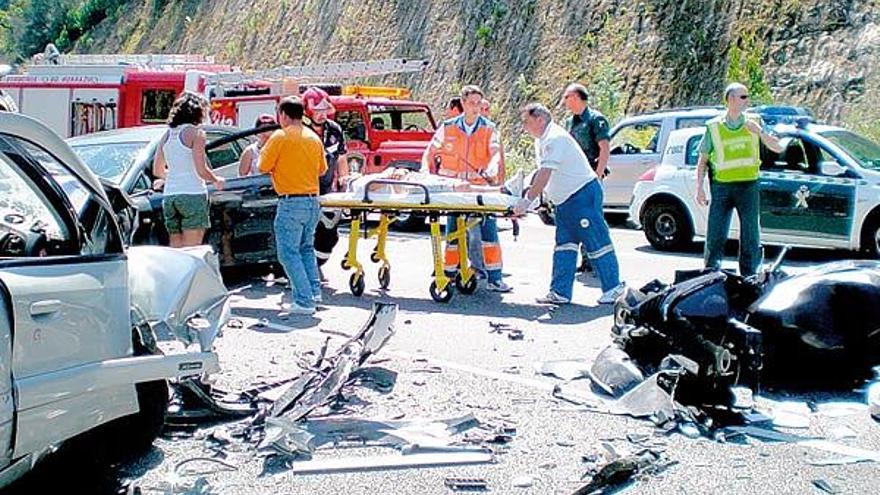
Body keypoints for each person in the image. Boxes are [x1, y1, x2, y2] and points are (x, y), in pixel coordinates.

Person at [515, 103, 625, 305]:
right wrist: (526, 193)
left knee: (597, 241)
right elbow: (540, 172)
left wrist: (527, 200)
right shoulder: (542, 140)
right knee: (564, 245)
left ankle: (614, 287)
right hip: (565, 201)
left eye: (527, 121)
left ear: (540, 119)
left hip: (582, 194)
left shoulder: (555, 138)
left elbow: (545, 174)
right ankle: (560, 291)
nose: (524, 126)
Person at [421, 85, 511, 293]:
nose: (476, 108)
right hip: (455, 191)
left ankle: (494, 278)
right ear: (462, 103)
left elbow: (496, 153)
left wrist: (491, 167)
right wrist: (426, 171)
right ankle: (450, 273)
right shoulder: (448, 127)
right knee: (453, 232)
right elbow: (430, 151)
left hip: (480, 190)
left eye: (479, 103)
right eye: (472, 103)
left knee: (489, 233)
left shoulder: (489, 128)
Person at [695, 83, 782, 276]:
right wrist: (699, 188)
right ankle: (710, 275)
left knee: (751, 235)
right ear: (731, 99)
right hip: (722, 187)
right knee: (715, 235)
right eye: (743, 97)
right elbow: (702, 160)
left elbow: (778, 147)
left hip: (748, 186)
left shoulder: (755, 121)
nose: (747, 100)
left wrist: (759, 132)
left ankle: (749, 275)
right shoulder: (714, 126)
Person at [260, 96, 328, 315]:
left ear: (283, 115)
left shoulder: (280, 136)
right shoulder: (313, 137)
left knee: (288, 254)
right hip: (312, 201)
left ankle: (304, 301)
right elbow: (322, 170)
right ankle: (314, 292)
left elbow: (262, 166)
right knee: (306, 248)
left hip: (291, 202)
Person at [152, 92, 225, 248]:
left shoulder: (167, 135)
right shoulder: (196, 133)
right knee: (192, 247)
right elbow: (201, 170)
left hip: (170, 196)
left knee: (176, 247)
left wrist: (173, 176)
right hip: (192, 193)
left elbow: (157, 170)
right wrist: (216, 180)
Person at [562, 83, 612, 274]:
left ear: (576, 97)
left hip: (590, 174)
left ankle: (599, 260)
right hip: (574, 177)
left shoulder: (595, 119)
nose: (565, 101)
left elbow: (604, 149)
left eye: (567, 97)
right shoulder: (570, 122)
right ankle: (586, 259)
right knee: (579, 218)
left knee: (593, 218)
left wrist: (597, 176)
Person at [303, 87, 349, 274]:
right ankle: (305, 270)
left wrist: (344, 181)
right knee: (305, 233)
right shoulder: (300, 131)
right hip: (304, 192)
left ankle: (316, 264)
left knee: (329, 234)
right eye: (317, 110)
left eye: (324, 110)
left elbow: (341, 157)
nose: (322, 115)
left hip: (327, 191)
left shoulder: (334, 129)